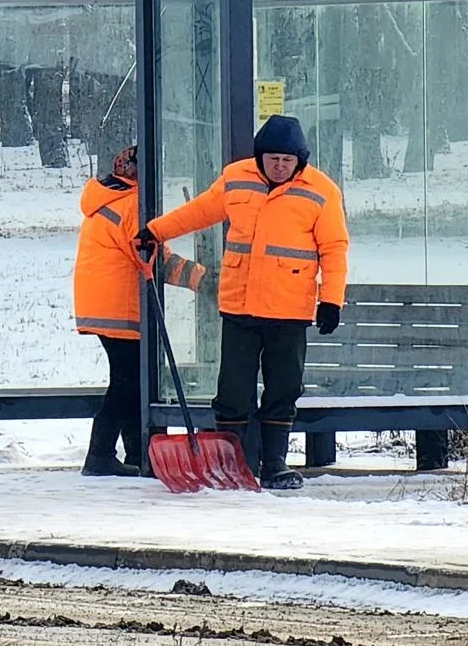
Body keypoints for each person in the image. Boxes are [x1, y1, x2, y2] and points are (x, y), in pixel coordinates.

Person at [136, 115, 349, 490]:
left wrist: (331, 300)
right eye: (273, 159)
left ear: (300, 160)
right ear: (260, 157)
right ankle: (235, 463)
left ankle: (275, 463)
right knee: (233, 390)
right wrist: (155, 231)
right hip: (239, 306)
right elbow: (199, 211)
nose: (280, 166)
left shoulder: (322, 191)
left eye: (287, 160)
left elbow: (334, 248)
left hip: (289, 310)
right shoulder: (236, 178)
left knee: (283, 388)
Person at [72, 144, 211, 478]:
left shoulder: (107, 197)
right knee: (127, 382)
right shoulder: (134, 205)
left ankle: (137, 452)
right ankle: (100, 455)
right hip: (120, 306)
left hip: (102, 304)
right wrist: (204, 280)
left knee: (133, 380)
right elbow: (153, 257)